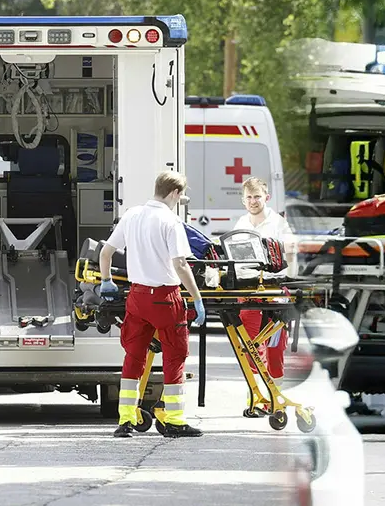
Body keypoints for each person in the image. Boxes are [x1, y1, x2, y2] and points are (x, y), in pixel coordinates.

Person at [99, 171, 208, 438]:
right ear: (174, 193)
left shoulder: (132, 215)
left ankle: (125, 419)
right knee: (174, 356)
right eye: (181, 195)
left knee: (134, 357)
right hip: (164, 298)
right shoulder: (170, 221)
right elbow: (180, 264)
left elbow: (106, 252)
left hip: (136, 297)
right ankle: (174, 420)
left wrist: (106, 281)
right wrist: (196, 297)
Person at [233, 176, 295, 393]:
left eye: (257, 196)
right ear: (243, 200)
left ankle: (275, 395)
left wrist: (274, 250)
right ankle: (258, 395)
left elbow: (291, 250)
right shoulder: (241, 224)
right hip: (248, 290)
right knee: (250, 345)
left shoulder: (278, 223)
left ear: (266, 197)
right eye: (248, 197)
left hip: (274, 289)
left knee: (275, 347)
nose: (253, 201)